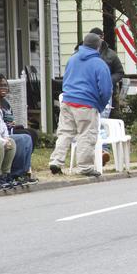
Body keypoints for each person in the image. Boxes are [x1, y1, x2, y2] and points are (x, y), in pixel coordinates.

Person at [49, 32, 113, 176]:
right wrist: (100, 105)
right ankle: (85, 167)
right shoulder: (99, 64)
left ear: (83, 44)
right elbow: (106, 89)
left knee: (65, 133)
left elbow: (66, 80)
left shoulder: (73, 59)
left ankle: (56, 161)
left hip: (68, 101)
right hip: (87, 104)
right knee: (86, 135)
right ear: (99, 46)